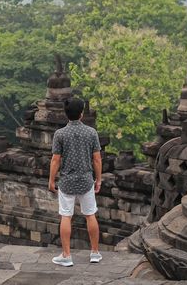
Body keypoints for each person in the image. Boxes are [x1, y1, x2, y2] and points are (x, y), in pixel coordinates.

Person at [49, 97, 103, 266]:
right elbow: (97, 159)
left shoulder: (60, 134)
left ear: (66, 114)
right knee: (90, 215)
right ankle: (94, 252)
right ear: (81, 114)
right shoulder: (91, 132)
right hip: (86, 180)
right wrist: (98, 179)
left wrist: (51, 180)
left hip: (66, 181)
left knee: (66, 216)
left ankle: (66, 255)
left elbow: (55, 160)